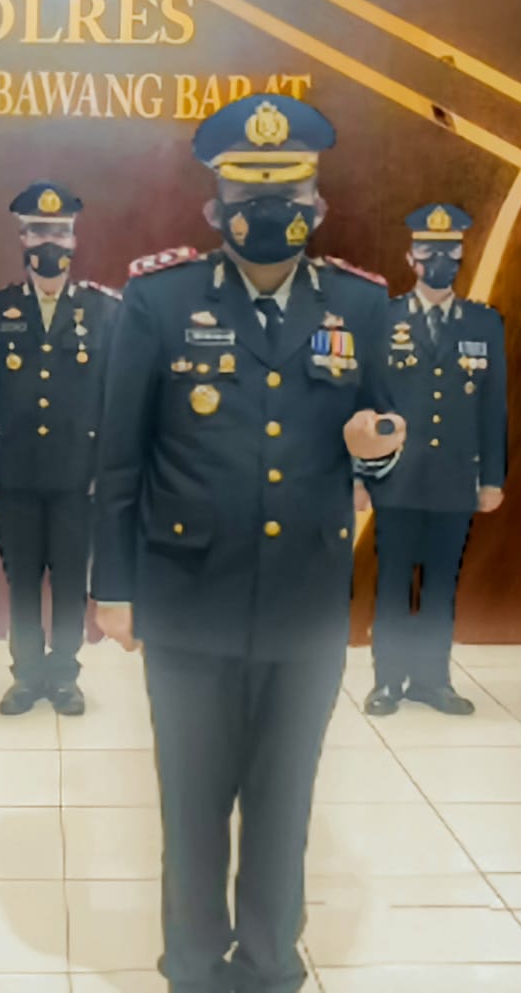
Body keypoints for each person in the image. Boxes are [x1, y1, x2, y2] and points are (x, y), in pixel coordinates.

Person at [92, 96, 406, 993]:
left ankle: (270, 962)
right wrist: (114, 588)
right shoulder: (158, 299)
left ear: (318, 205)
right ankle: (193, 964)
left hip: (305, 599)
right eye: (247, 196)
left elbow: (384, 437)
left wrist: (377, 452)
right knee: (192, 797)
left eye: (289, 196)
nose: (268, 213)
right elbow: (119, 458)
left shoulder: (361, 303)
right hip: (187, 593)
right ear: (214, 206)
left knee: (284, 794)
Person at [0, 181, 121, 716]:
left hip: (80, 475)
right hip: (14, 474)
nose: (49, 242)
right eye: (38, 231)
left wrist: (110, 469)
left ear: (74, 240)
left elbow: (116, 397)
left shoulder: (104, 310)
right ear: (22, 238)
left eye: (59, 232)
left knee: (72, 582)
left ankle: (65, 675)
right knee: (23, 582)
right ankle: (26, 675)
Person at [365, 203, 506, 717]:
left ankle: (432, 681)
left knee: (442, 585)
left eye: (449, 253)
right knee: (393, 583)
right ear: (411, 258)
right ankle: (387, 681)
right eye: (429, 253)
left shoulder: (484, 323)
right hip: (396, 477)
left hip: (454, 478)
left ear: (461, 257)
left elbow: (494, 406)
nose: (439, 262)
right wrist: (359, 476)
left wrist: (492, 478)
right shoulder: (383, 319)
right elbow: (365, 402)